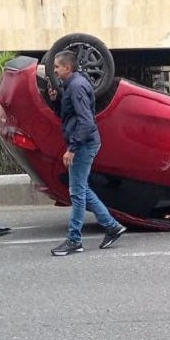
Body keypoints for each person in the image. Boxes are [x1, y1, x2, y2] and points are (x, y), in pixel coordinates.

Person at [48, 51, 126, 256]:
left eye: (57, 67)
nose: (54, 70)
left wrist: (72, 149)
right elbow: (71, 114)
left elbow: (86, 121)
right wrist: (56, 99)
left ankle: (74, 240)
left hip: (84, 144)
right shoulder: (72, 85)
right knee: (81, 190)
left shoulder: (76, 87)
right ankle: (112, 226)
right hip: (84, 142)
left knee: (77, 193)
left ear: (67, 67)